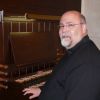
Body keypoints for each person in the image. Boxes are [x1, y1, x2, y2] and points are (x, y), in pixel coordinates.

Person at [23, 10, 100, 100]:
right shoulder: (75, 49)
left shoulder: (87, 65)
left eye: (70, 25)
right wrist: (42, 90)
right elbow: (63, 81)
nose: (64, 30)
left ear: (83, 28)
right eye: (61, 25)